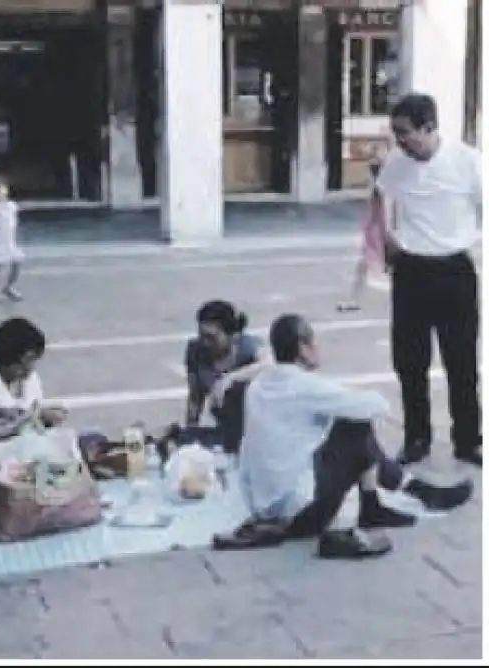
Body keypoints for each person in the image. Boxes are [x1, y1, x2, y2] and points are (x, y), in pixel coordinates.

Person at [216, 314, 472, 559]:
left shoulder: (259, 386)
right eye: (313, 340)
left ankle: (387, 498)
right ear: (302, 348)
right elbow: (375, 406)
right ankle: (401, 495)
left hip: (262, 504)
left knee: (346, 424)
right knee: (354, 424)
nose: (318, 346)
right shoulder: (304, 386)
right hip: (298, 513)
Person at [377, 93, 482, 467]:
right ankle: (417, 437)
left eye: (405, 133)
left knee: (462, 361)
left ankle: (468, 440)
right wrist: (387, 235)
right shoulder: (396, 163)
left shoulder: (468, 162)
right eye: (396, 133)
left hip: (454, 270)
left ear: (429, 127)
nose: (400, 140)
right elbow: (383, 195)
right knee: (410, 362)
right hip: (411, 272)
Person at [182, 301, 268, 452]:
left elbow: (271, 363)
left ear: (232, 335)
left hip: (257, 427)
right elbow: (195, 396)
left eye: (211, 338)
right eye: (201, 336)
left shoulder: (247, 347)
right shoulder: (195, 351)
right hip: (225, 425)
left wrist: (230, 379)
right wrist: (190, 429)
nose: (205, 343)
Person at [0, 318, 68, 447]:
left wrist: (47, 418)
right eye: (28, 360)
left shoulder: (32, 379)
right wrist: (27, 420)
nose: (30, 367)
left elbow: (36, 419)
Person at [337, 155, 390, 312]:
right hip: (377, 232)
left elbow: (384, 212)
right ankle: (354, 300)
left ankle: (355, 300)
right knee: (364, 266)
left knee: (367, 266)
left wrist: (385, 234)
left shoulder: (381, 188)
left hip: (379, 233)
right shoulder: (380, 187)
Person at [0, 175, 24, 303]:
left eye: (2, 188)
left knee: (18, 261)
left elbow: (14, 222)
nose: (0, 191)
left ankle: (9, 287)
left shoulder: (12, 205)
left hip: (9, 242)